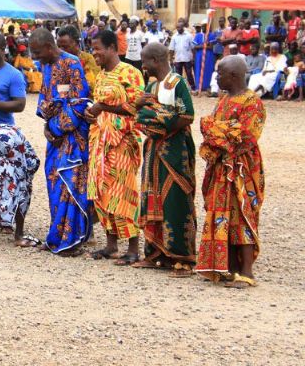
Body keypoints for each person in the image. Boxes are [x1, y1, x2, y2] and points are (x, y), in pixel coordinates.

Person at [195, 56, 266, 288]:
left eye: (220, 73)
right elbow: (209, 128)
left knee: (243, 216)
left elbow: (244, 135)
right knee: (223, 214)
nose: (217, 77)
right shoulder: (224, 99)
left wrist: (215, 131)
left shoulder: (252, 102)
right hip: (221, 167)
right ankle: (230, 267)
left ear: (234, 75)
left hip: (242, 169)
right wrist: (218, 131)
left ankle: (247, 272)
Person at [133, 43, 197, 276]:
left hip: (174, 151)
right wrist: (145, 110)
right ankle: (156, 253)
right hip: (153, 151)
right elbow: (141, 114)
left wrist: (160, 123)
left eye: (145, 61)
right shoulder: (151, 85)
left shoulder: (177, 83)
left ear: (157, 60)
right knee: (153, 197)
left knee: (175, 200)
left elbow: (187, 114)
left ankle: (182, 258)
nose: (143, 65)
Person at [30, 27, 91, 255]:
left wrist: (57, 128)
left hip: (73, 137)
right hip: (54, 136)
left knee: (71, 183)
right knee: (53, 181)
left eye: (37, 52)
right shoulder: (45, 66)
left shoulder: (72, 63)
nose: (35, 58)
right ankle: (57, 236)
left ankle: (72, 241)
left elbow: (80, 102)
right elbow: (45, 100)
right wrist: (47, 126)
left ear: (48, 46)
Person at [85, 29, 145, 265]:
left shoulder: (130, 73)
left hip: (122, 141)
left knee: (124, 191)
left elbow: (136, 106)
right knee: (102, 190)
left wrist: (103, 108)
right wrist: (93, 114)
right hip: (99, 141)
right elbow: (98, 106)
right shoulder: (100, 75)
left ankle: (132, 247)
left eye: (98, 48)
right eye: (93, 48)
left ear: (112, 48)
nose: (94, 53)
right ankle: (111, 245)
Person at [57, 25, 100, 91]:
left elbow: (91, 85)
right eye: (59, 47)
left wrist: (63, 88)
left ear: (77, 43)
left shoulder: (88, 59)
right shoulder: (57, 60)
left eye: (65, 47)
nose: (61, 51)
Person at [168, 21, 195, 88]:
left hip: (187, 59)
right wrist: (171, 60)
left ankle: (193, 87)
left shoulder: (189, 35)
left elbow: (193, 48)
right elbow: (171, 49)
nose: (178, 29)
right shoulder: (174, 37)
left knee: (189, 74)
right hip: (178, 59)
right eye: (177, 27)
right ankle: (179, 88)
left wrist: (193, 58)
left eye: (179, 27)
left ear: (183, 27)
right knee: (178, 75)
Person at [193, 22, 215, 94]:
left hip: (208, 55)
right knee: (199, 70)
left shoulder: (211, 35)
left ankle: (207, 86)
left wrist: (202, 46)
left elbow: (211, 47)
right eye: (202, 27)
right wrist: (205, 45)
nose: (203, 28)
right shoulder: (198, 35)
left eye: (204, 27)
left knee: (208, 69)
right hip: (199, 55)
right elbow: (195, 47)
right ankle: (199, 87)